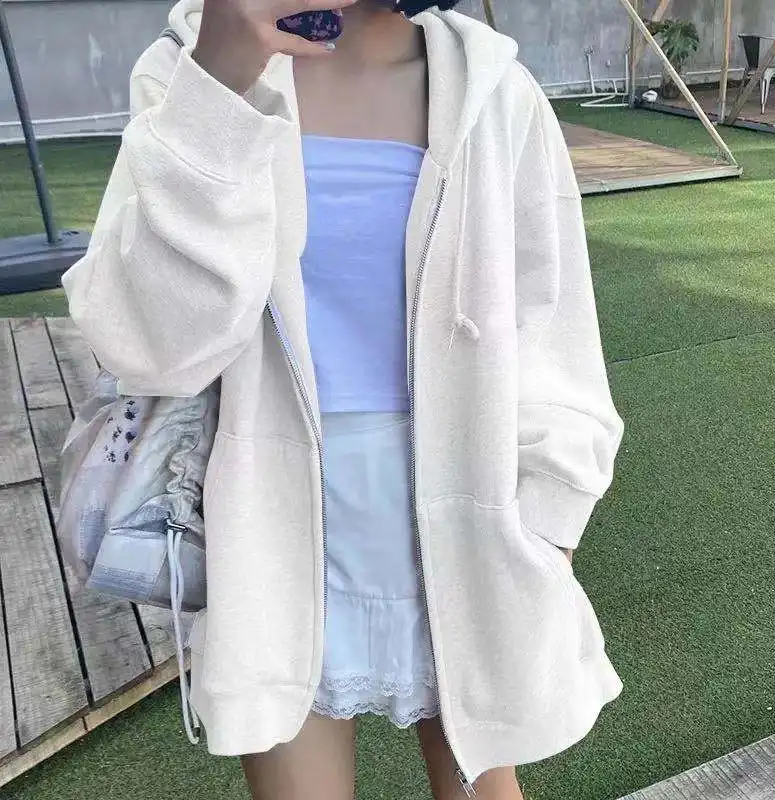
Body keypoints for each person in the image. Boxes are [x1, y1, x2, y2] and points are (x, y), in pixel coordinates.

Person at [61, 0, 627, 797]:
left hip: (466, 519)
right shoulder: (187, 67)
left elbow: (552, 325)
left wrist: (548, 519)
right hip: (271, 530)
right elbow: (150, 348)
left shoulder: (495, 90)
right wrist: (216, 88)